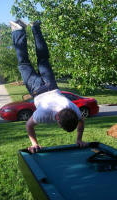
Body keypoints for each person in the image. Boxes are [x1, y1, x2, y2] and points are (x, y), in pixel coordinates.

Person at [10, 19, 87, 153]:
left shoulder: (74, 109)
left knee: (43, 58)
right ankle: (18, 30)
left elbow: (81, 122)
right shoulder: (42, 114)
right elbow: (29, 126)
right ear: (57, 118)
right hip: (36, 89)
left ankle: (35, 27)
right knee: (23, 63)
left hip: (51, 84)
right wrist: (34, 144)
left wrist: (79, 139)